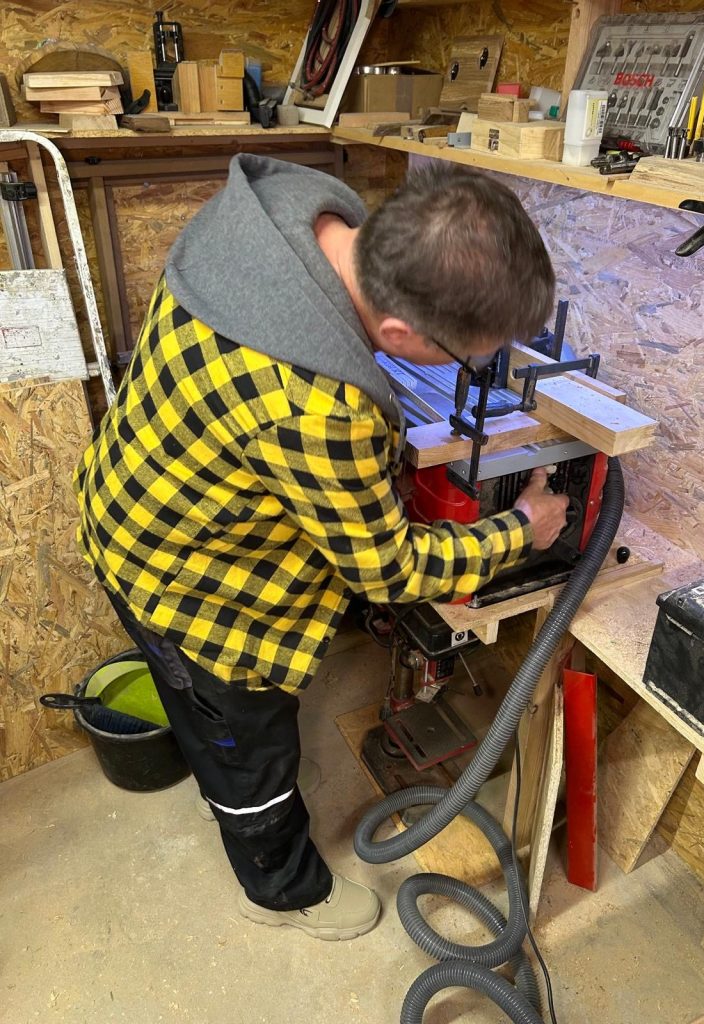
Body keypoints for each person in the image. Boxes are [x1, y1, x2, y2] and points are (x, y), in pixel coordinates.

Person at [74, 155, 568, 943]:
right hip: (182, 587)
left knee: (221, 725)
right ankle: (283, 888)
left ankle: (228, 774)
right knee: (249, 748)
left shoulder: (281, 207)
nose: (472, 369)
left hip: (136, 491)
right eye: (467, 356)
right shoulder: (319, 403)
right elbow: (387, 569)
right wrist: (522, 530)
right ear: (400, 333)